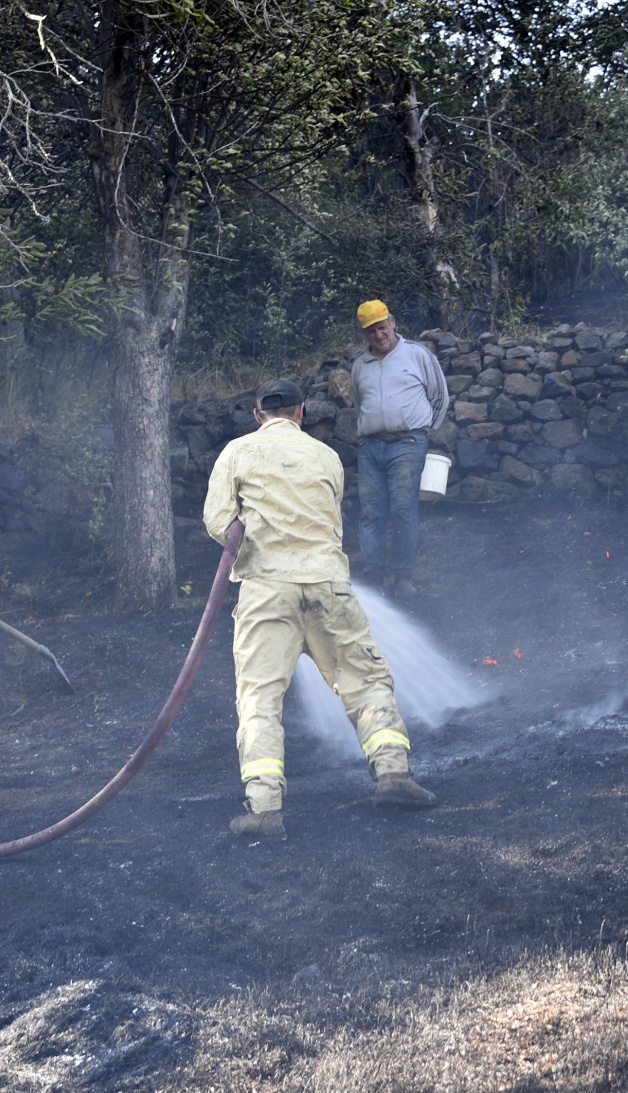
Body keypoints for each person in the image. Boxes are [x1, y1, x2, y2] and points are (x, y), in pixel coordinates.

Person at [204, 377, 438, 838]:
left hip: (267, 591)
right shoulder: (326, 457)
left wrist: (253, 550)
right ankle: (394, 774)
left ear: (258, 416)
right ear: (301, 412)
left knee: (260, 698)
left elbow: (217, 523)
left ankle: (265, 810)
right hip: (330, 586)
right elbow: (331, 519)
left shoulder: (237, 453)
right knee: (366, 681)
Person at [348, 299, 449, 599]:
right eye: (371, 331)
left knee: (403, 510)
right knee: (370, 513)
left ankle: (403, 577)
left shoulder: (417, 355)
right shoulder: (359, 366)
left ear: (392, 322)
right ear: (364, 334)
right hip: (370, 446)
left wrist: (423, 432)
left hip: (408, 442)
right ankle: (374, 577)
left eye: (382, 327)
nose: (378, 335)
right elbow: (358, 405)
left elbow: (439, 396)